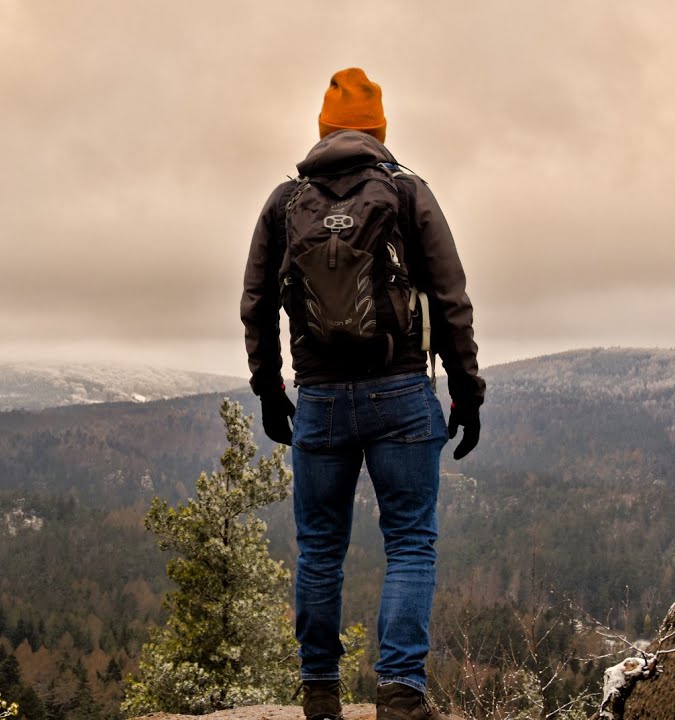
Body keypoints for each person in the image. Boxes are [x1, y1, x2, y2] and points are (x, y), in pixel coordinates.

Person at [240, 68, 484, 720]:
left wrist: (268, 388)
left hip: (317, 397)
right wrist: (467, 390)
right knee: (408, 541)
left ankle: (319, 692)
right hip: (401, 392)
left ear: (322, 132)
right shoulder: (407, 194)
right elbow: (450, 299)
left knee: (320, 547)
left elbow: (257, 303)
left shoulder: (286, 202)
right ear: (380, 131)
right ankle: (399, 693)